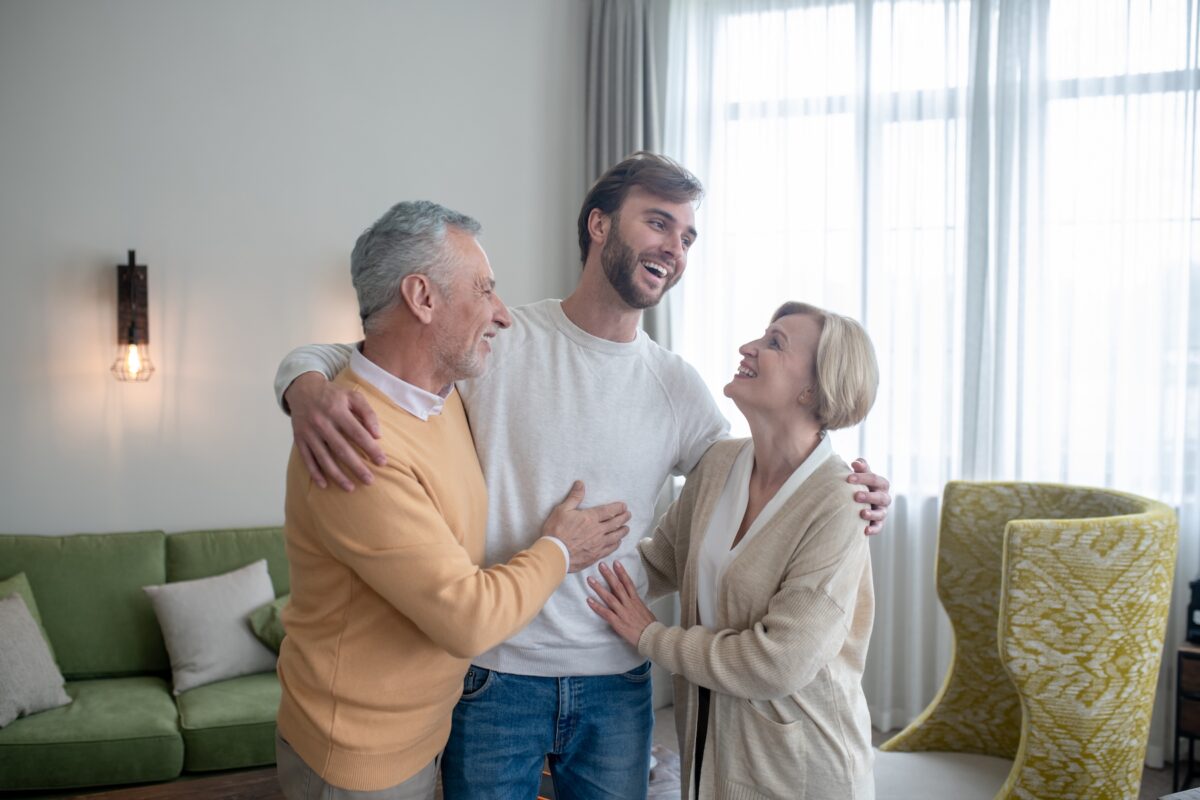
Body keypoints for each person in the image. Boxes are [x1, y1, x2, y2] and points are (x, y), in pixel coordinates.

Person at [273, 153, 892, 799]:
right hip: (493, 675)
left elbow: (762, 471)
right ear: (599, 225)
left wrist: (854, 487)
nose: (675, 247)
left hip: (616, 677)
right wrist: (303, 382)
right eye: (658, 223)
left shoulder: (677, 387)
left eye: (687, 237)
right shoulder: (498, 340)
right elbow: (381, 357)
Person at [274, 200, 633, 800]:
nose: (502, 313)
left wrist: (300, 378)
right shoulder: (358, 445)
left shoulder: (442, 399)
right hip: (358, 760)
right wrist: (560, 549)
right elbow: (467, 620)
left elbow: (347, 352)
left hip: (420, 737)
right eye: (484, 289)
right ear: (422, 297)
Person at [589, 301, 879, 799]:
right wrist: (562, 558)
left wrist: (651, 636)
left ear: (813, 388)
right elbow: (660, 562)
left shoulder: (840, 502)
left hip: (801, 769)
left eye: (774, 343)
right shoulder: (718, 466)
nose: (749, 347)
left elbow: (778, 662)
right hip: (711, 754)